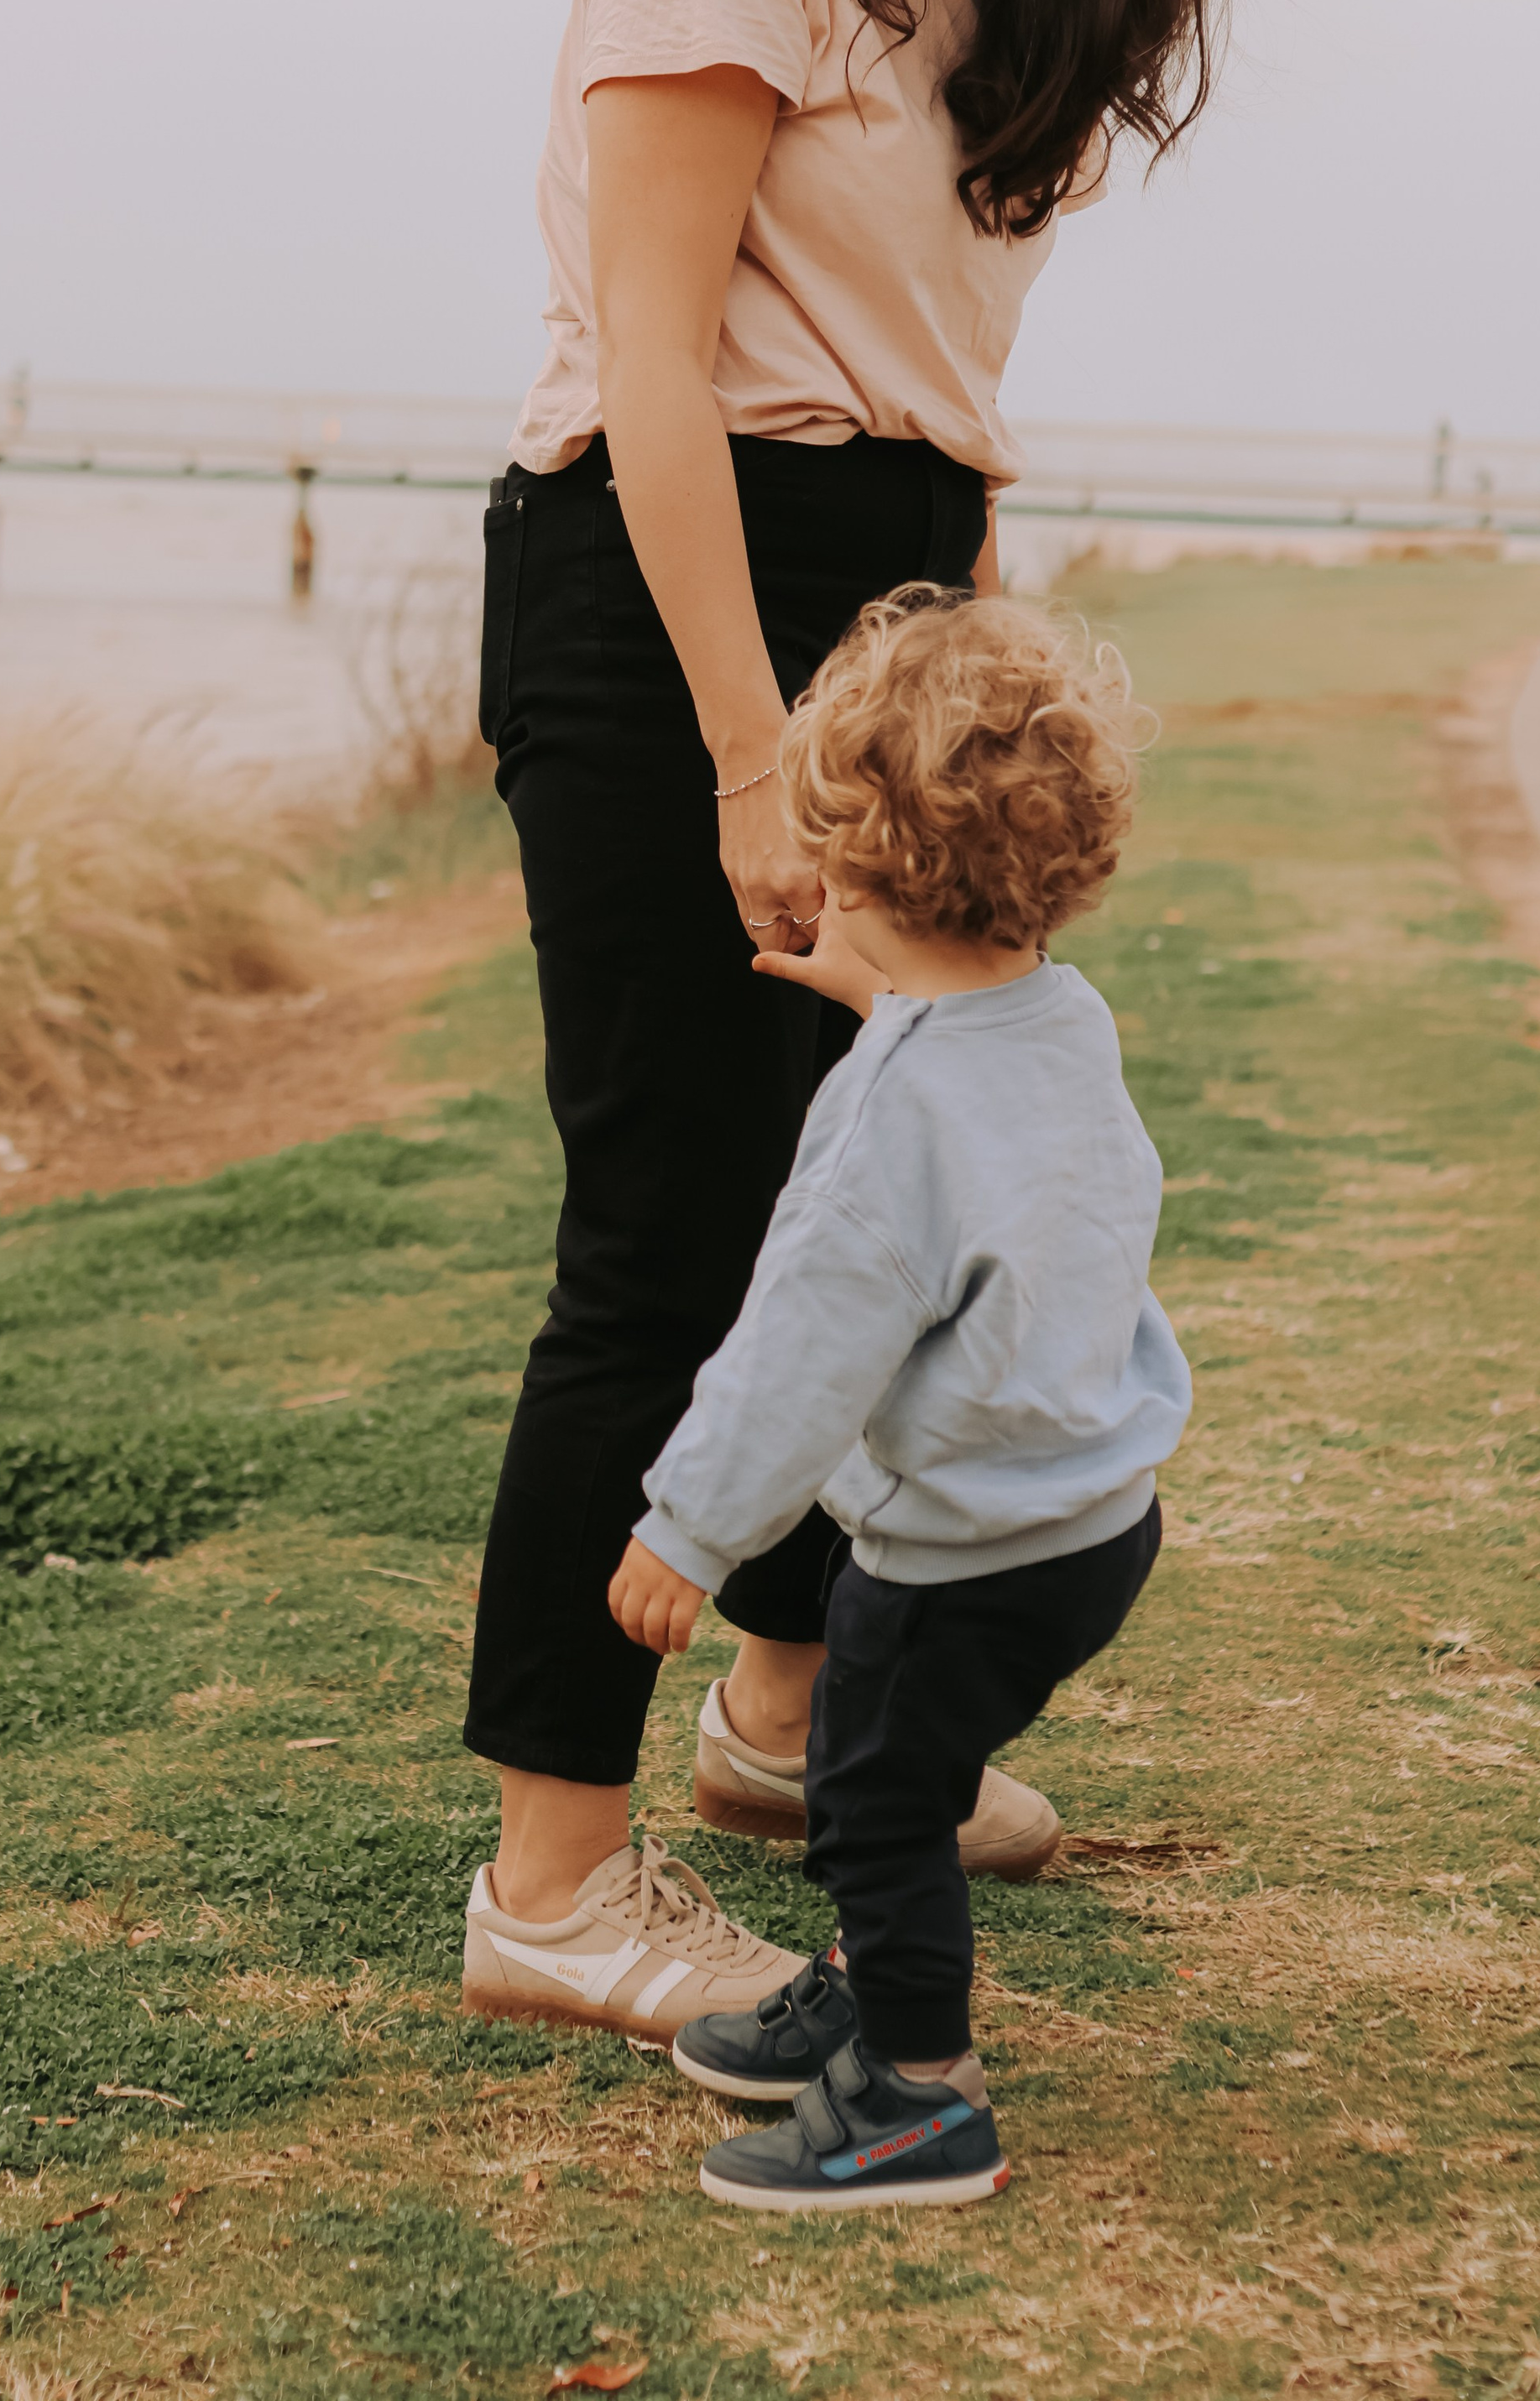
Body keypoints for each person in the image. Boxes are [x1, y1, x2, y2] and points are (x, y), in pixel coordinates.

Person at [459, 0, 1238, 2043]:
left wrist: (949, 661)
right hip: (684, 574)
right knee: (677, 1246)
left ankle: (791, 1738)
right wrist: (742, 753)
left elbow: (935, 378)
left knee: (876, 1189)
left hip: (892, 581)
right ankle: (550, 1883)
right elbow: (663, 364)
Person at [609, 587, 1188, 2209]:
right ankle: (878, 1996)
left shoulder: (882, 1136)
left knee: (869, 1807)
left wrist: (689, 1530)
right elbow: (970, 1086)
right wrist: (878, 1000)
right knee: (911, 1779)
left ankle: (922, 2101)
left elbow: (799, 1352)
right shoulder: (1056, 1016)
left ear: (855, 864)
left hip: (962, 1555)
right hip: (1093, 1523)